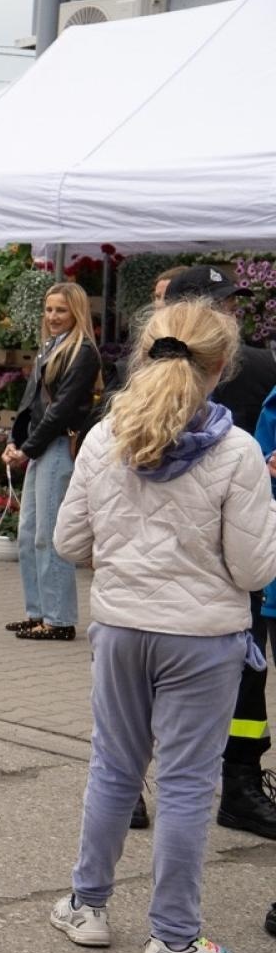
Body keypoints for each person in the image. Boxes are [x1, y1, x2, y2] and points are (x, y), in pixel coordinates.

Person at [50, 299, 276, 953]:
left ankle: (86, 904)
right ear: (221, 368)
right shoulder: (236, 451)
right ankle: (175, 942)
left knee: (114, 769)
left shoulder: (103, 436)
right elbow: (255, 568)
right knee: (184, 787)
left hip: (122, 628)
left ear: (144, 353)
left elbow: (69, 542)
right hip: (202, 639)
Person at [167, 264, 276, 841]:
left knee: (140, 677)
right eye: (225, 304)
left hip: (161, 564)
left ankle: (133, 780)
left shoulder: (137, 371)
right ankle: (239, 786)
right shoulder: (261, 364)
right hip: (235, 554)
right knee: (245, 670)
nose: (233, 315)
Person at [1, 283, 101, 642]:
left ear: (76, 312)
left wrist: (27, 448)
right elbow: (30, 403)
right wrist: (15, 441)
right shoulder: (49, 347)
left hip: (58, 446)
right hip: (40, 446)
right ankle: (38, 612)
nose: (53, 317)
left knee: (49, 535)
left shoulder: (83, 352)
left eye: (60, 310)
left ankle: (59, 619)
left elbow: (60, 411)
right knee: (28, 534)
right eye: (48, 309)